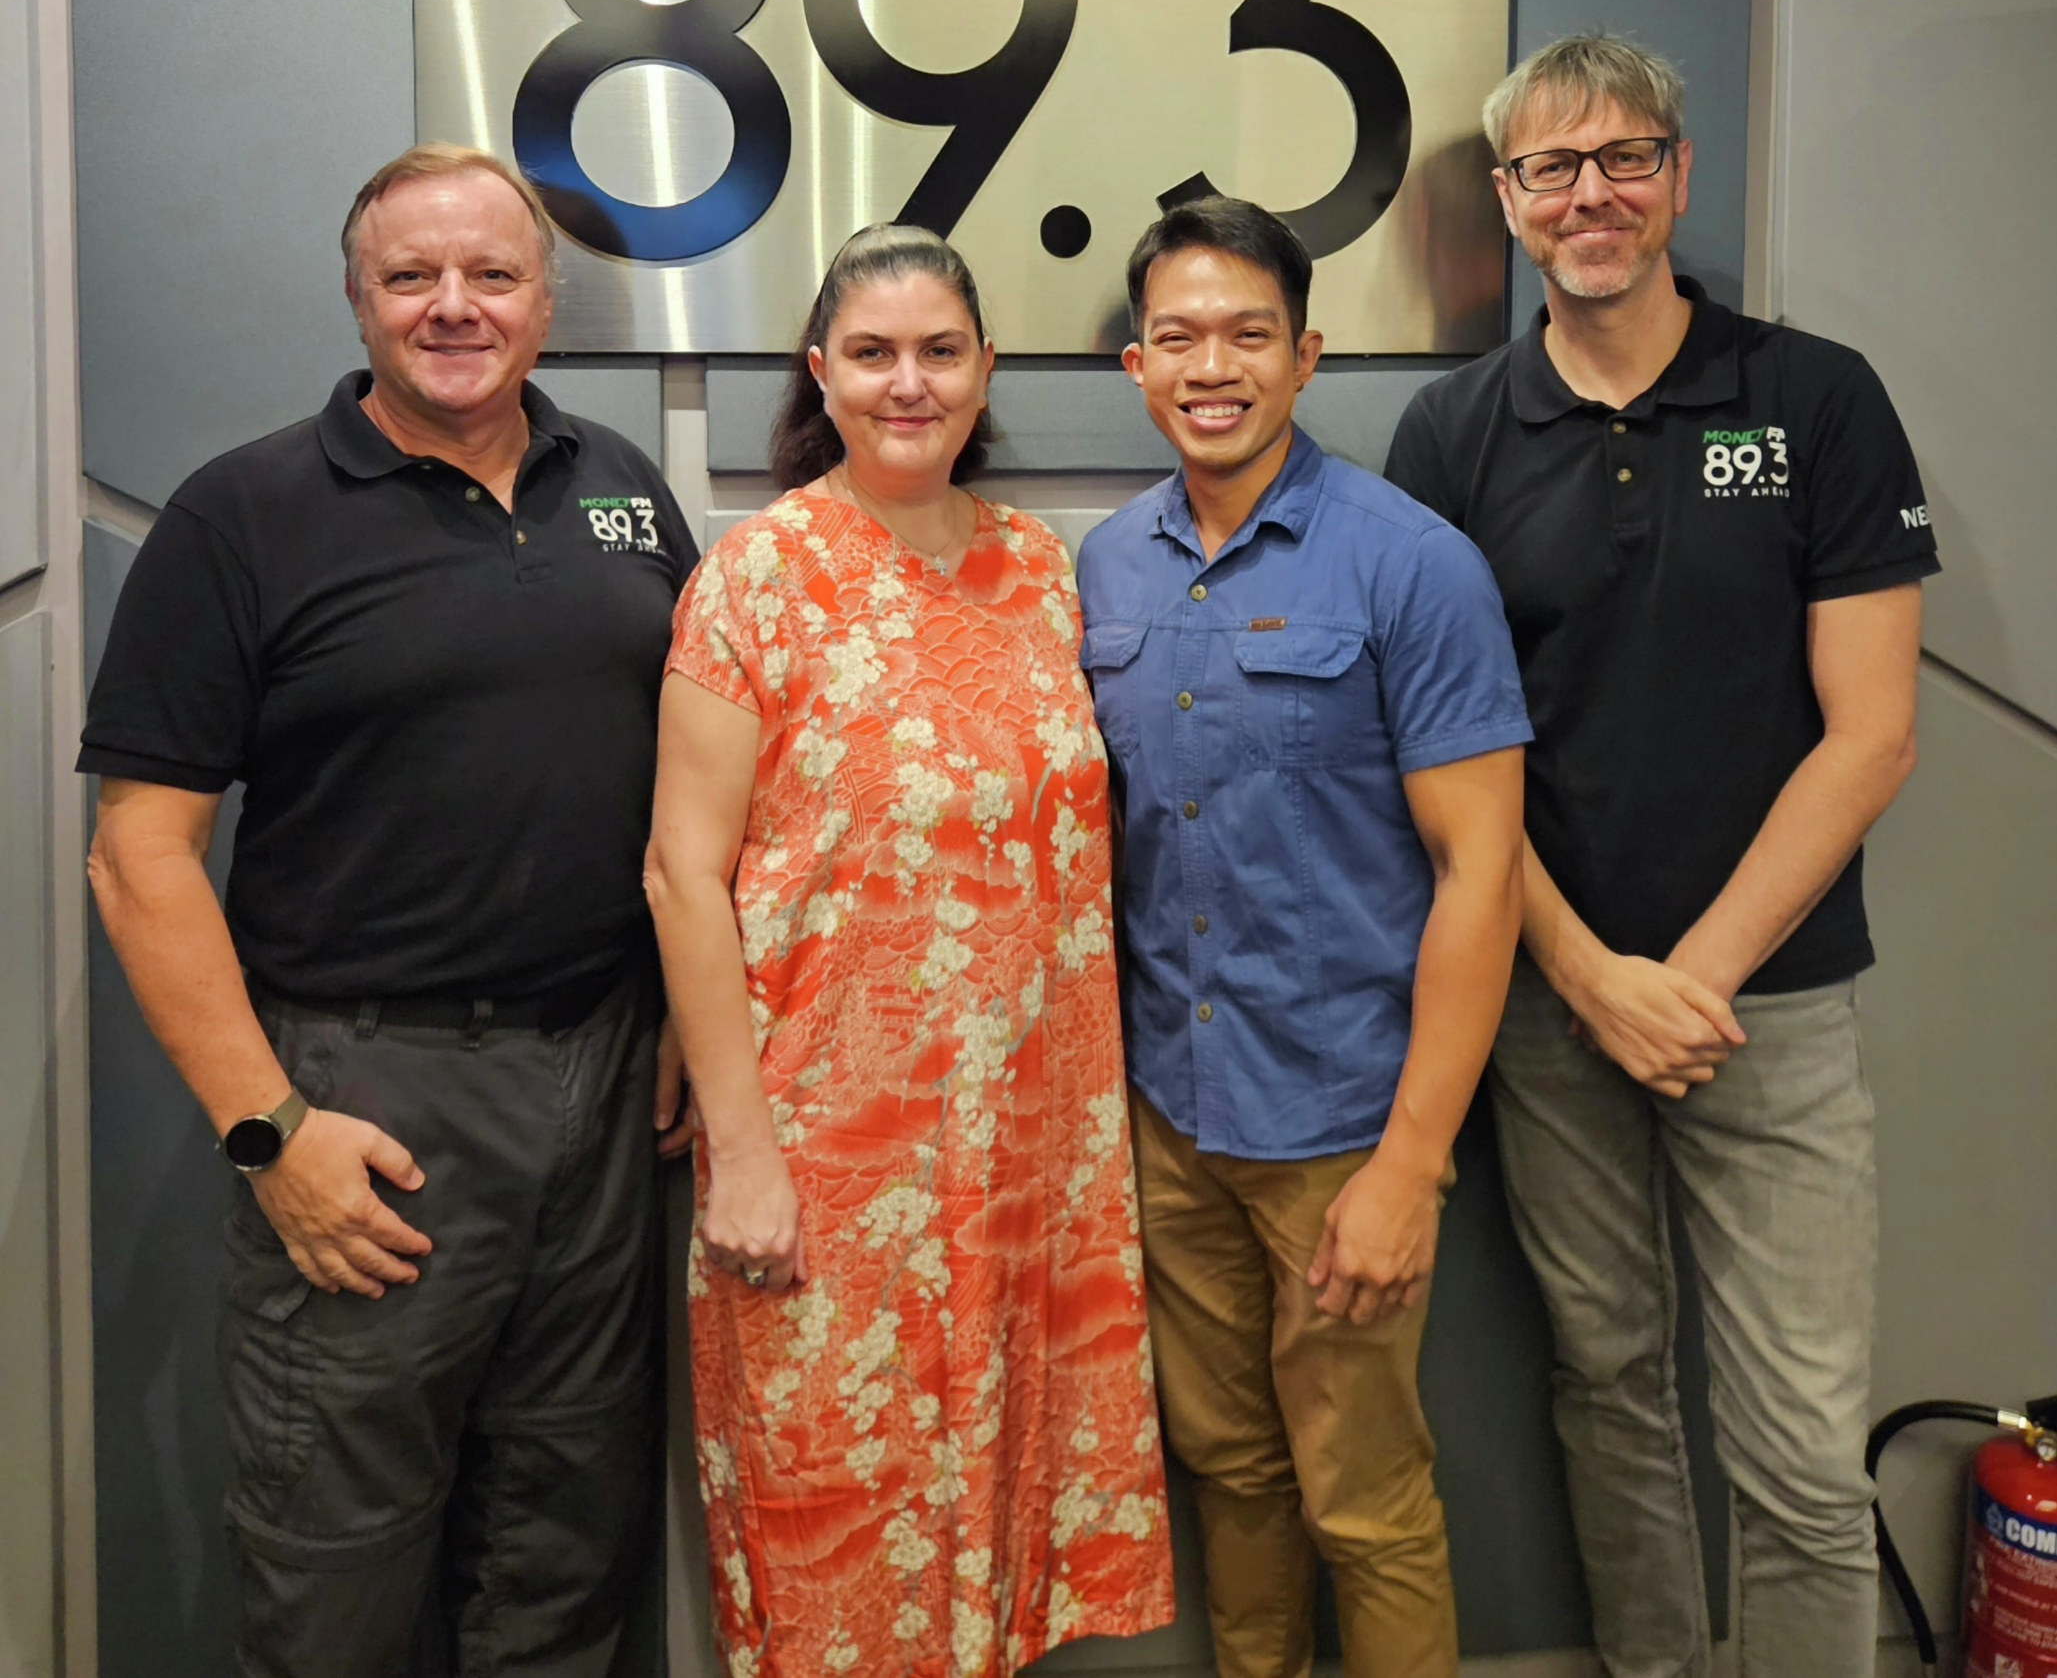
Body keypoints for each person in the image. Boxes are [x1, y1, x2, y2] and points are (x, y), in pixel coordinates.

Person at [81, 145, 696, 1676]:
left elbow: (696, 784)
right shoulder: (242, 514)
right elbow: (139, 856)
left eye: (491, 273)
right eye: (411, 276)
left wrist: (688, 1017)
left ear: (546, 301)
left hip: (607, 1083)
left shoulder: (622, 487)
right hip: (370, 1095)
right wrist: (269, 1130)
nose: (453, 306)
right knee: (336, 1560)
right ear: (357, 301)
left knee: (565, 1544)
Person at [1384, 32, 1938, 1678]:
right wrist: (1589, 977)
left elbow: (1873, 735)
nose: (1593, 195)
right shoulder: (1453, 434)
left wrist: (1688, 981)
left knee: (1801, 1444)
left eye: (1625, 157)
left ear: (1679, 178)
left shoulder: (1815, 399)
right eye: (1553, 167)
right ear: (1510, 202)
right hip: (1550, 1011)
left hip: (1772, 1009)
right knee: (1610, 1388)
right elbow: (1443, 760)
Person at [645, 226, 1175, 1678]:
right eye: (873, 354)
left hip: (1028, 1159)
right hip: (827, 1161)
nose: (908, 383)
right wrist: (743, 1153)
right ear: (819, 371)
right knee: (839, 1542)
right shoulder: (756, 578)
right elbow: (682, 875)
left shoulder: (1041, 571)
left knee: (993, 1540)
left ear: (985, 369)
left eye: (940, 352)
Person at [1076, 196, 1530, 1678]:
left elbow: (1482, 874)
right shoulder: (1102, 569)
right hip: (1171, 1120)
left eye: (1248, 335)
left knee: (1366, 1500)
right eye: (1180, 337)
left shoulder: (1412, 565)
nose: (1213, 366)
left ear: (1307, 354)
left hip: (1342, 1127)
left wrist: (1412, 1166)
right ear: (1138, 364)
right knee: (1231, 1470)